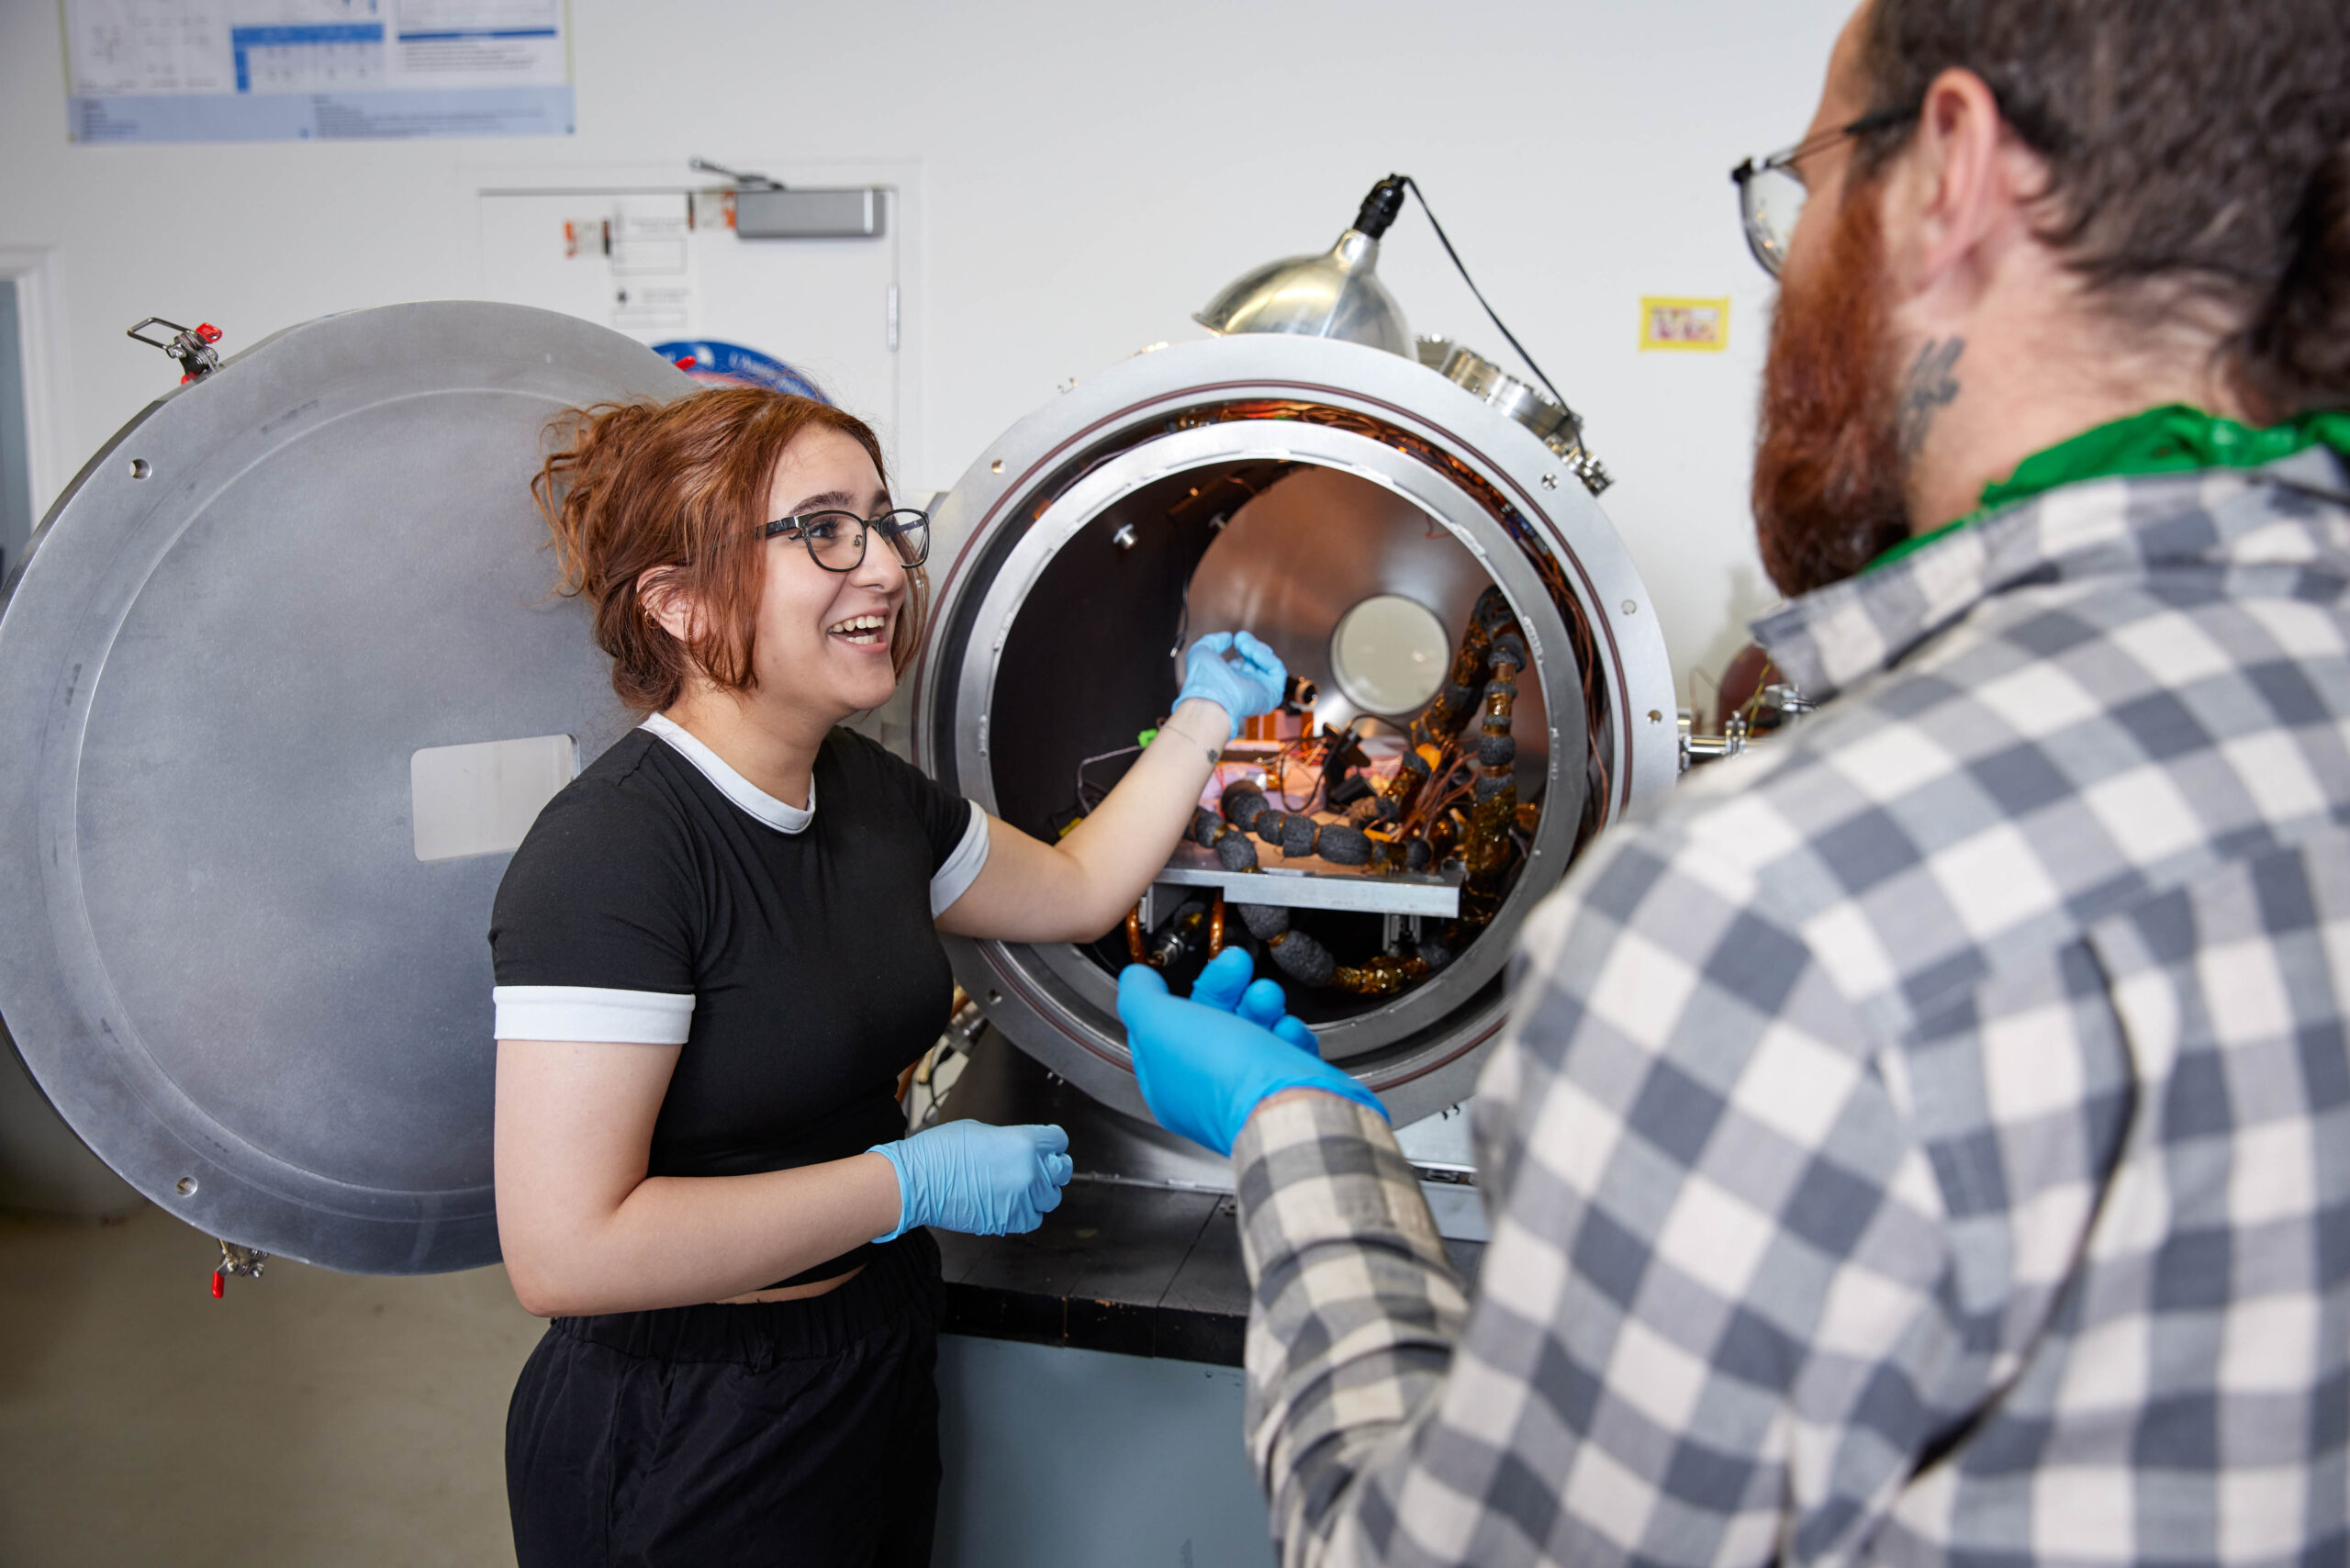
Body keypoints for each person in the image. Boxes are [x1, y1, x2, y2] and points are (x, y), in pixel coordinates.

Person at [1117, 0, 2350, 1562]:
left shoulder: (1793, 916)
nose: (1789, 265)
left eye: (1803, 189)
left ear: (1952, 166)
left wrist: (1301, 1132)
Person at [487, 386, 1288, 1567]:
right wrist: (902, 1183)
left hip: (866, 1359)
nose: (883, 567)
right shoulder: (615, 855)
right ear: (681, 599)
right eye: (822, 530)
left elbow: (1072, 889)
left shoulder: (864, 797)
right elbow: (566, 1254)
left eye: (881, 520)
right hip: (688, 1421)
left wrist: (1205, 715)